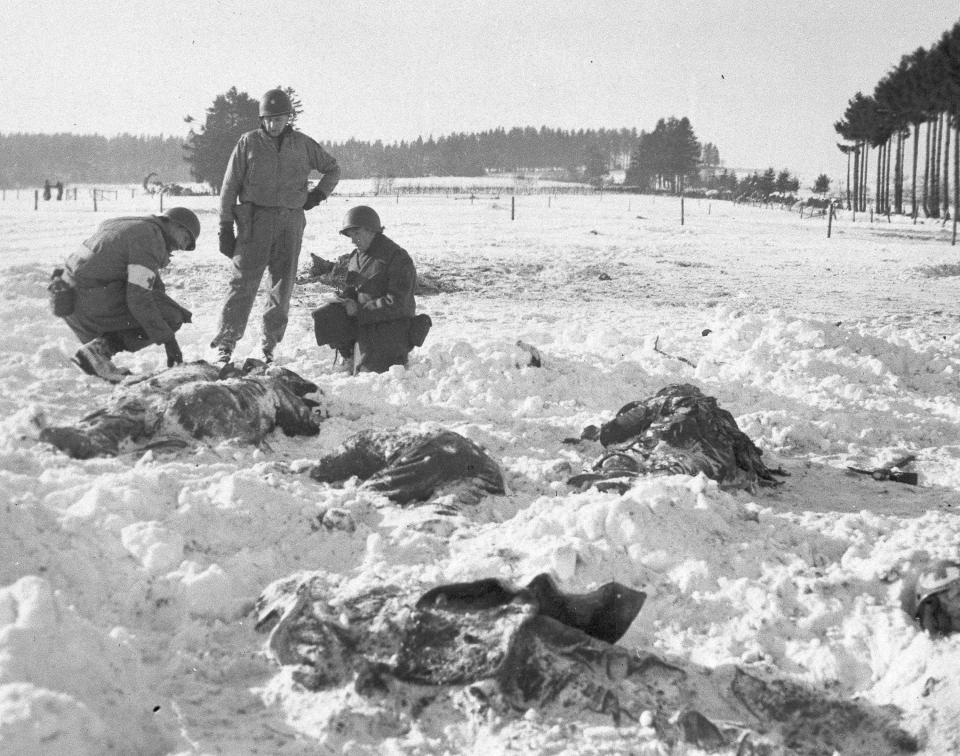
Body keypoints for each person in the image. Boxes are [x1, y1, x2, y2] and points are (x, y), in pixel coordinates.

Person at [211, 87, 341, 365]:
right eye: (269, 119)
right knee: (242, 284)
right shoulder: (248, 143)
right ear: (261, 120)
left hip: (290, 221)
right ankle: (226, 343)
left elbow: (333, 168)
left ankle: (268, 346)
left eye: (279, 119)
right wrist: (225, 226)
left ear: (288, 119)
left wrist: (319, 195)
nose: (273, 125)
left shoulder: (303, 145)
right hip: (253, 222)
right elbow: (229, 186)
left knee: (282, 286)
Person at [58, 207, 201, 383]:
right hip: (89, 301)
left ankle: (97, 352)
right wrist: (168, 339)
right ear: (173, 224)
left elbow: (152, 285)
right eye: (185, 239)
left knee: (158, 304)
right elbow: (139, 298)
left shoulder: (133, 226)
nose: (180, 247)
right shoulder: (149, 239)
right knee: (172, 315)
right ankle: (98, 352)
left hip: (70, 300)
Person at [319, 205, 418, 373]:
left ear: (372, 231)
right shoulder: (355, 257)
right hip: (365, 320)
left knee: (370, 374)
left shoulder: (397, 257)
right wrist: (344, 299)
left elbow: (399, 303)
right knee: (326, 314)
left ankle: (391, 356)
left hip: (391, 326)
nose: (353, 240)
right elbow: (352, 288)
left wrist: (358, 310)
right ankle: (349, 354)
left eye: (357, 234)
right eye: (350, 235)